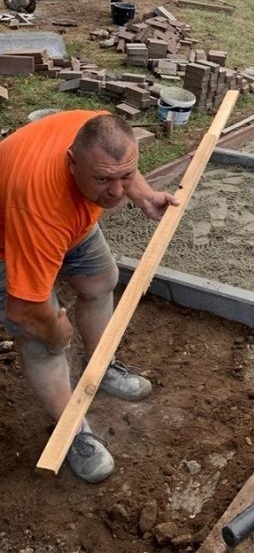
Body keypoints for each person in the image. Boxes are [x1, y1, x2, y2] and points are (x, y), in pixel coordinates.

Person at [0, 110, 179, 483]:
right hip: (9, 239)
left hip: (69, 219)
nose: (115, 193)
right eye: (102, 180)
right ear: (72, 162)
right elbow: (25, 311)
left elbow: (118, 165)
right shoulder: (40, 208)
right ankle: (73, 433)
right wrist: (56, 332)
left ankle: (102, 367)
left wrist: (142, 194)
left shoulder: (100, 131)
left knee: (102, 279)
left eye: (124, 177)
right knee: (42, 344)